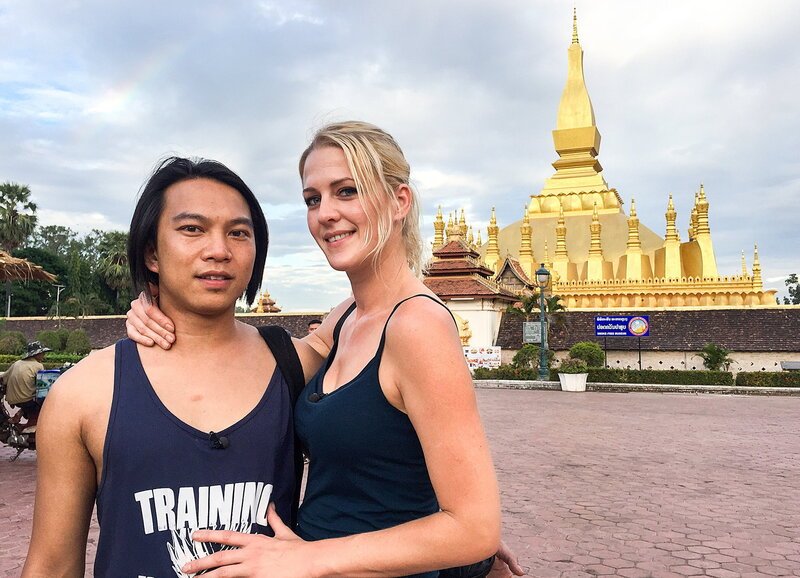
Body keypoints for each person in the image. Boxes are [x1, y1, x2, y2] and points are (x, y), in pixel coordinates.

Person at [128, 121, 525, 577]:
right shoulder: (349, 315)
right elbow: (269, 359)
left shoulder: (418, 325)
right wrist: (155, 302)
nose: (326, 214)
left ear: (399, 202)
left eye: (347, 191)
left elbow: (475, 527)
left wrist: (308, 558)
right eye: (313, 199)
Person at [21, 157, 331, 577]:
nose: (219, 250)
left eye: (238, 233)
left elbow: (377, 311)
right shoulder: (86, 392)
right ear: (152, 252)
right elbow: (53, 565)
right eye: (192, 229)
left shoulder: (300, 365)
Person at [2, 341, 51, 428]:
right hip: (27, 400)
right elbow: (43, 386)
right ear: (36, 354)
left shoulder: (16, 363)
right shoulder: (38, 366)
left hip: (13, 400)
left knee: (30, 399)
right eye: (42, 353)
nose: (43, 355)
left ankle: (20, 414)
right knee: (45, 400)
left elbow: (3, 378)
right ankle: (34, 426)